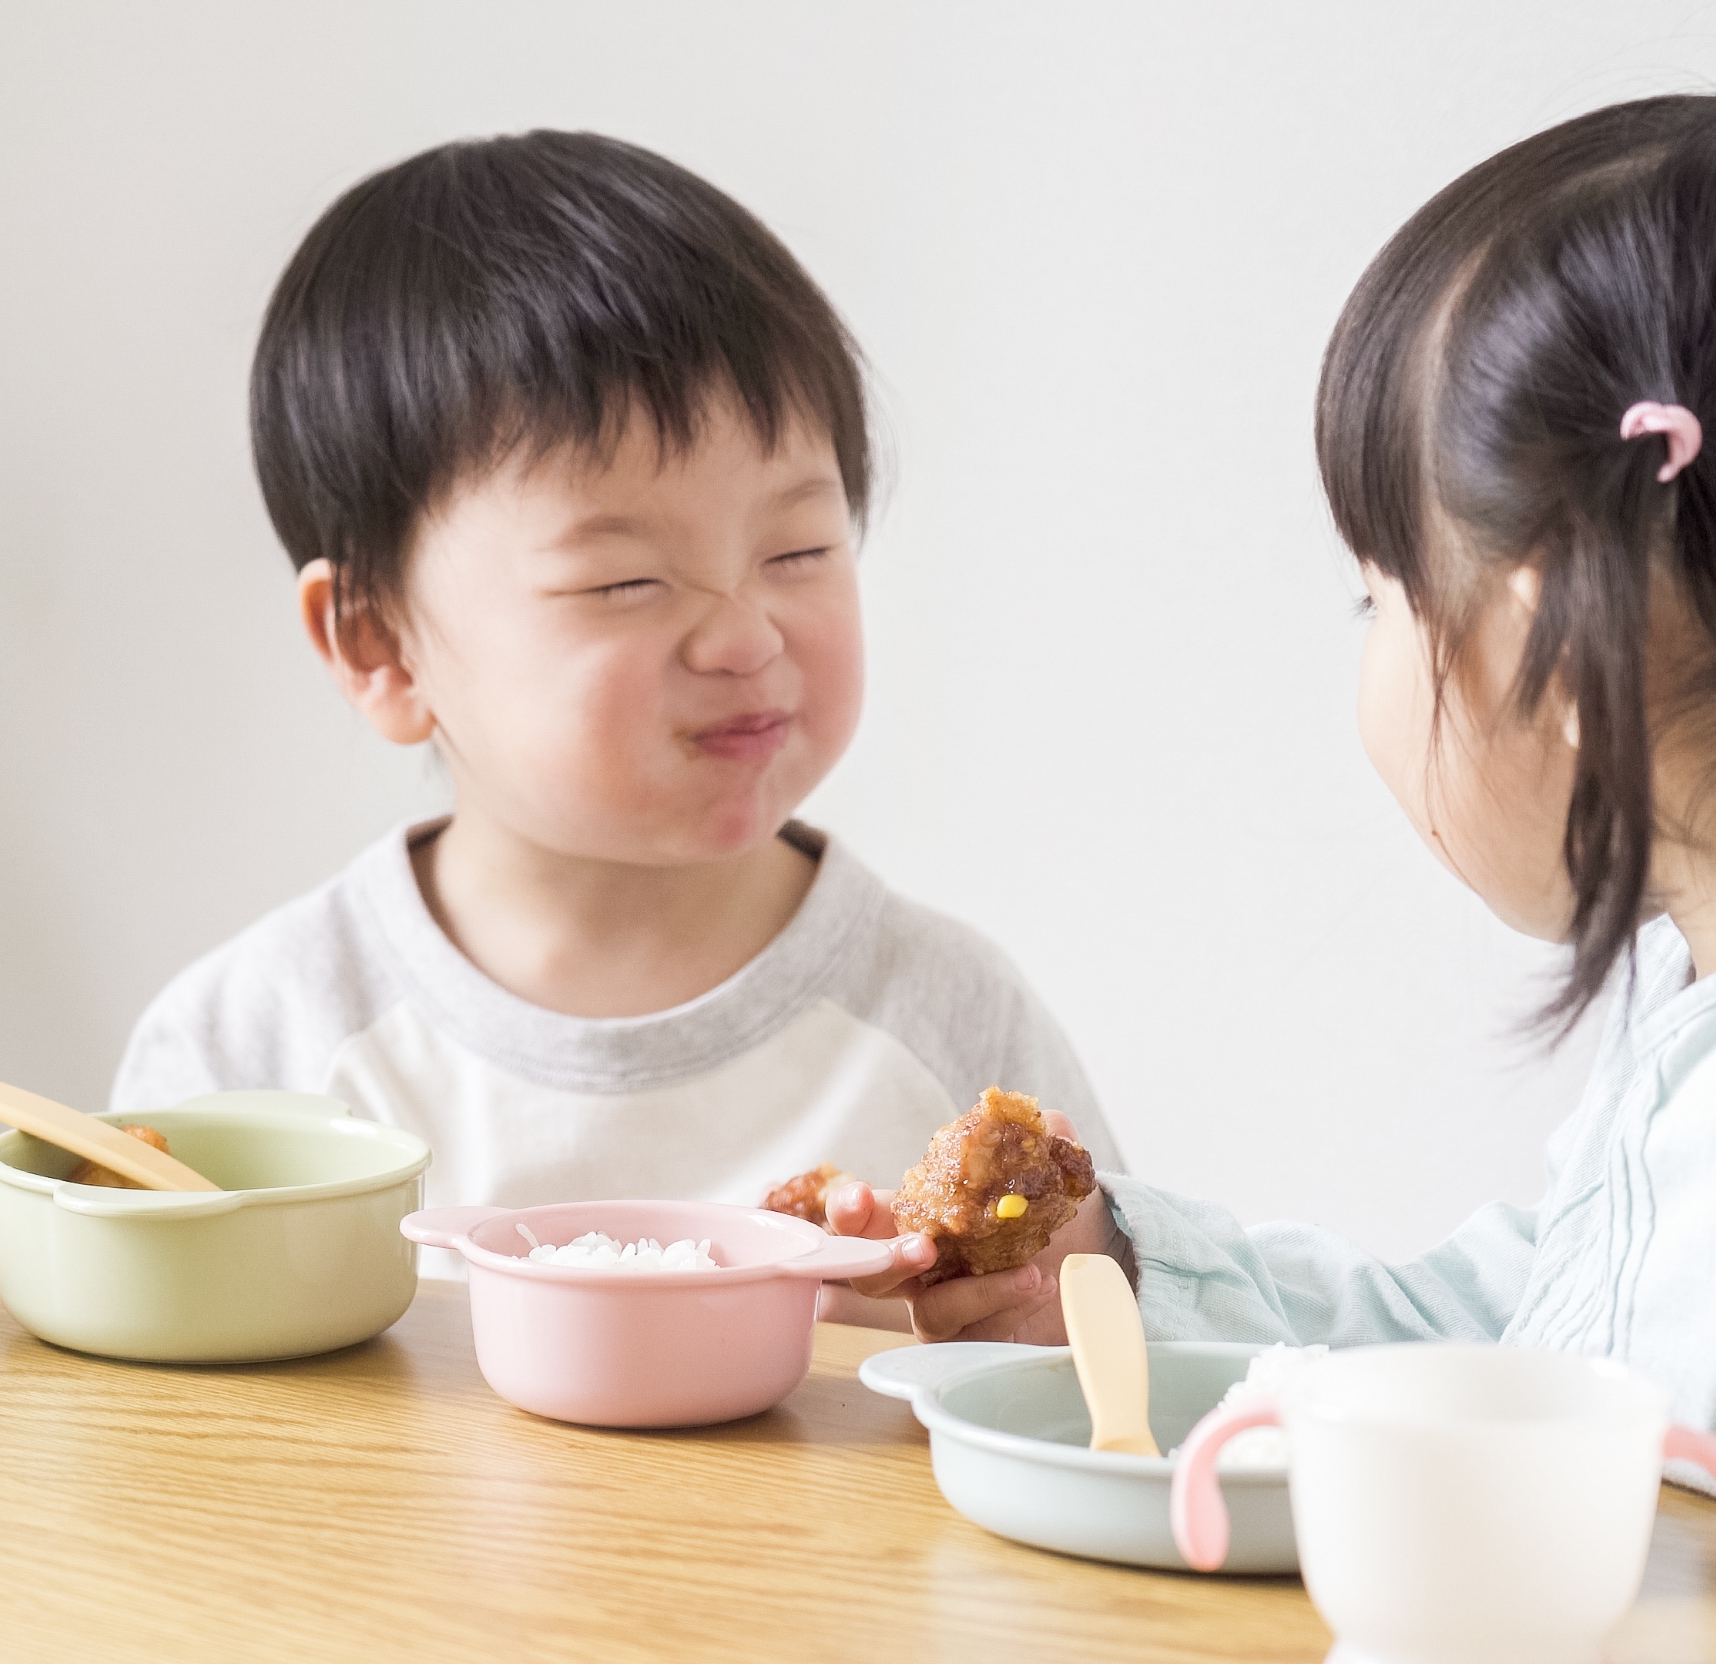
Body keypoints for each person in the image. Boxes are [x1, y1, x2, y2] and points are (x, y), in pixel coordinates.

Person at [833, 96, 1716, 1652]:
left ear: (1561, 644)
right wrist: (1128, 1274)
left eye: (1380, 601)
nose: (1370, 665)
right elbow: (1538, 1340)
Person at [112, 132, 1118, 1302]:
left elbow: (1112, 1373)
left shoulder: (949, 1022)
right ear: (378, 642)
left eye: (797, 548)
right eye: (624, 580)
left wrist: (1038, 1317)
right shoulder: (254, 1053)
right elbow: (146, 1427)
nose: (745, 635)